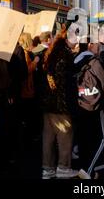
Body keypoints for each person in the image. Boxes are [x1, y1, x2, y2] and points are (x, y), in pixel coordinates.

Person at [41, 31, 79, 179]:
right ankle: (63, 167)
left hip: (48, 103)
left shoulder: (51, 53)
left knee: (48, 137)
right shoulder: (64, 55)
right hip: (60, 104)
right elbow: (65, 82)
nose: (77, 42)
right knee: (65, 136)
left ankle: (48, 168)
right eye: (75, 39)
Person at [74, 40, 104, 179]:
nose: (100, 48)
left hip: (80, 104)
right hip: (95, 105)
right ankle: (87, 171)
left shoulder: (75, 60)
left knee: (84, 139)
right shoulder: (94, 62)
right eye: (98, 46)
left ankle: (86, 168)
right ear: (91, 46)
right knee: (103, 137)